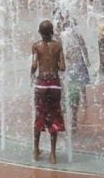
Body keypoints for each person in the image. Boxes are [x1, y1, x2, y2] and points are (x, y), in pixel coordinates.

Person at [31, 20, 65, 164]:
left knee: (39, 116)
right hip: (55, 85)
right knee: (54, 117)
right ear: (52, 32)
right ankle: (52, 154)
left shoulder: (36, 46)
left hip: (42, 85)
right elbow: (62, 67)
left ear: (39, 32)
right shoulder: (58, 46)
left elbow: (34, 65)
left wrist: (31, 76)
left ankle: (36, 150)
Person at [55, 11, 90, 133]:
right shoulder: (62, 36)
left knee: (71, 93)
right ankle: (72, 119)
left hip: (72, 67)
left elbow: (83, 46)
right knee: (72, 93)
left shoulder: (65, 35)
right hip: (71, 67)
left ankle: (72, 120)